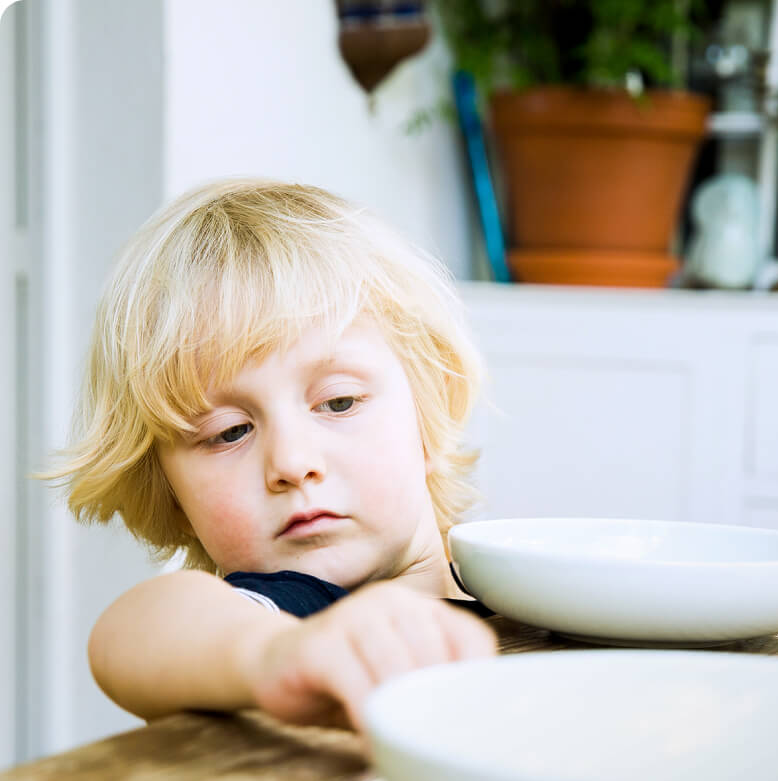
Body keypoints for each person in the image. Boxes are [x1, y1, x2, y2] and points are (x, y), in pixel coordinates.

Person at [51, 178, 498, 732]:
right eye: (229, 432)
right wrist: (279, 654)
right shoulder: (281, 613)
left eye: (337, 402)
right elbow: (132, 634)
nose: (291, 462)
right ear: (169, 491)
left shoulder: (518, 590)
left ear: (426, 413)